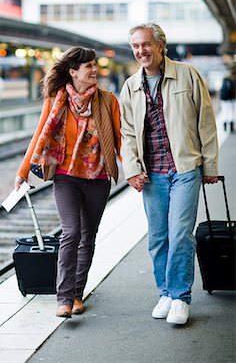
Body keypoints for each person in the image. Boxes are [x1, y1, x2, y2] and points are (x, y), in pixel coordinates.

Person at [120, 24, 218, 325]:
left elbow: (206, 122)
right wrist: (132, 170)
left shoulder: (187, 75)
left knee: (180, 235)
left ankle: (180, 297)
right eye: (136, 46)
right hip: (152, 175)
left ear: (161, 46)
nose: (141, 51)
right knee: (159, 237)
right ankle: (164, 292)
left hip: (185, 168)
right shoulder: (130, 86)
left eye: (146, 45)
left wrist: (210, 166)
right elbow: (127, 133)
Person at [14, 46, 121, 318]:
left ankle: (76, 294)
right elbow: (40, 133)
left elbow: (120, 141)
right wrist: (23, 170)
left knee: (88, 237)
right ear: (73, 72)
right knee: (71, 232)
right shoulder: (56, 99)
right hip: (65, 177)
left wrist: (134, 171)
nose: (95, 70)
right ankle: (63, 297)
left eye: (95, 65)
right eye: (89, 66)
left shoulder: (108, 101)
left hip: (98, 178)